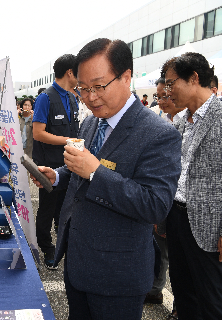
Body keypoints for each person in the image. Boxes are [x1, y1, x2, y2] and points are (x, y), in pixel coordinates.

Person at [32, 38, 181, 319]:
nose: (89, 97)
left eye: (98, 86)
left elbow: (155, 205)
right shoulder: (91, 122)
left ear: (126, 77)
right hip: (78, 262)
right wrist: (58, 175)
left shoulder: (159, 133)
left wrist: (96, 172)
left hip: (117, 274)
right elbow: (79, 169)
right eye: (83, 88)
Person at [162, 52, 222, 320]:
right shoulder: (179, 121)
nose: (167, 90)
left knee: (212, 300)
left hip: (209, 226)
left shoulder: (219, 117)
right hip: (176, 217)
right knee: (183, 292)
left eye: (171, 83)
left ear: (194, 78)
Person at [32, 54, 79, 269]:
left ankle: (61, 246)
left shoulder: (72, 98)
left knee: (64, 210)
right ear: (70, 72)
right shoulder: (46, 97)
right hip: (48, 167)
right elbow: (38, 133)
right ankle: (46, 247)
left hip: (69, 165)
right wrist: (69, 140)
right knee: (47, 210)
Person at [144, 77, 185, 319]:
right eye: (158, 96)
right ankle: (155, 289)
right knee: (159, 249)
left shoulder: (185, 124)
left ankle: (181, 305)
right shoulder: (159, 119)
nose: (161, 101)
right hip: (161, 197)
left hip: (180, 202)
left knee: (179, 258)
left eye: (165, 96)